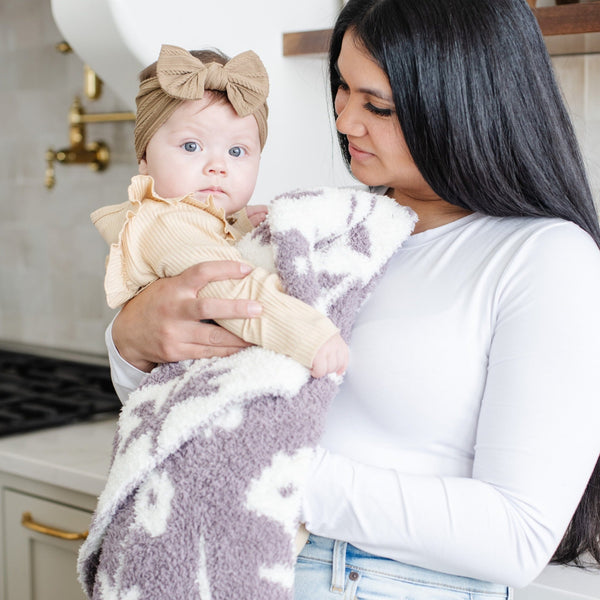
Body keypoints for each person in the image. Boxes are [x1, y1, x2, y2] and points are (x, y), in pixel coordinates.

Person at [105, 0, 600, 598]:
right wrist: (129, 346)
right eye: (341, 87)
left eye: (377, 105)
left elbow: (517, 535)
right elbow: (202, 394)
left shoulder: (545, 258)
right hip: (233, 563)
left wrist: (263, 465)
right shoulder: (323, 228)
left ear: (465, 103)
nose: (343, 121)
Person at [92, 44, 347, 380]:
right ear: (144, 159)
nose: (217, 166)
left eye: (237, 150)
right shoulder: (167, 220)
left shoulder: (207, 221)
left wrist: (243, 228)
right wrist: (313, 336)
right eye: (191, 146)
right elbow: (233, 287)